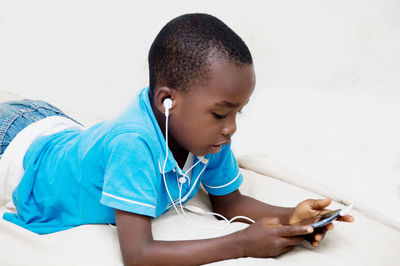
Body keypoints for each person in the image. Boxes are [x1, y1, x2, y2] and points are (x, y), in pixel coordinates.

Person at [0, 13, 353, 265]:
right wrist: (243, 243)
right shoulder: (134, 146)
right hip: (14, 141)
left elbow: (229, 203)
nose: (231, 128)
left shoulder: (208, 138)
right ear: (167, 102)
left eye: (237, 113)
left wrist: (293, 218)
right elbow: (138, 255)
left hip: (54, 124)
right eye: (220, 113)